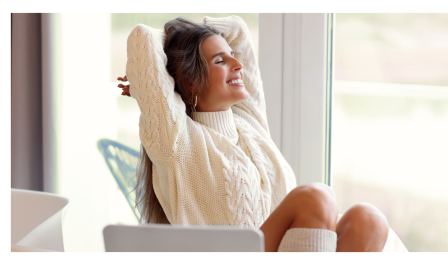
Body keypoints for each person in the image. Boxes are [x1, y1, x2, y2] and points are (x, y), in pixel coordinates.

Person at [117, 16, 388, 252]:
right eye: (220, 60)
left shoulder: (248, 123)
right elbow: (142, 39)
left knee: (369, 219)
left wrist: (205, 29)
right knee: (315, 198)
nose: (237, 64)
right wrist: (148, 82)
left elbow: (238, 29)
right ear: (189, 80)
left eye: (232, 54)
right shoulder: (177, 140)